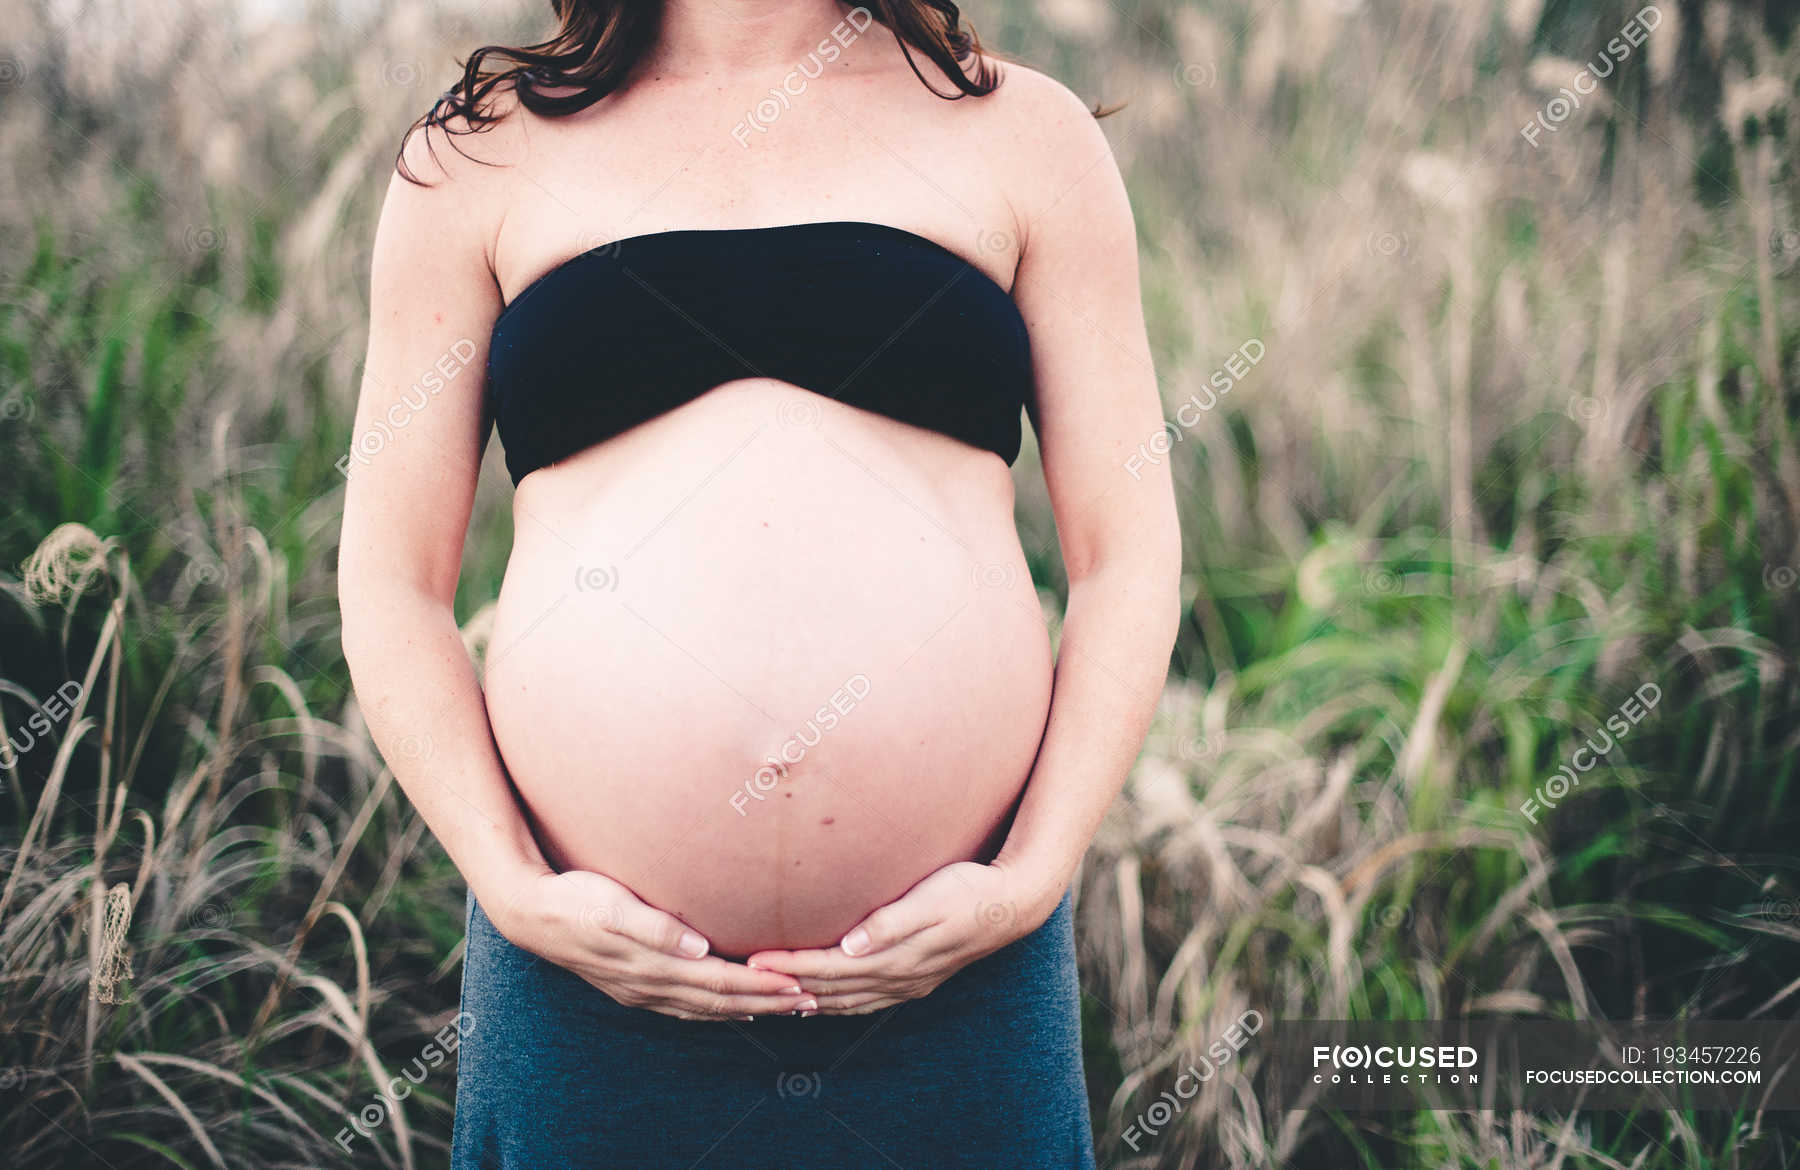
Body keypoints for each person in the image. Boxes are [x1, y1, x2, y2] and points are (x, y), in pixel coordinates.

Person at [337, 1, 1180, 1164]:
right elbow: (391, 582)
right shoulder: (479, 153)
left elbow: (1127, 556)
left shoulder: (1022, 134)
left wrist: (1028, 880)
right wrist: (514, 886)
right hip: (593, 980)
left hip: (956, 973)